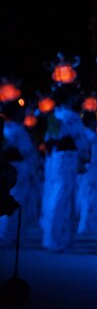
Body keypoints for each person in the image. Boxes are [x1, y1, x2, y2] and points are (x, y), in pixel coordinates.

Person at [41, 56, 90, 252]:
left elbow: (48, 141)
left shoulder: (54, 117)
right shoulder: (71, 117)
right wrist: (84, 156)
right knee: (63, 196)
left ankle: (52, 237)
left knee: (54, 193)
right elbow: (81, 141)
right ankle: (59, 239)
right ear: (69, 98)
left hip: (54, 159)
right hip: (68, 158)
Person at [0, 81, 37, 246]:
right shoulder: (17, 131)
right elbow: (27, 152)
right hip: (17, 168)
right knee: (16, 199)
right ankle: (10, 236)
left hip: (5, 167)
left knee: (4, 198)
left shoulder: (5, 129)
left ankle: (6, 234)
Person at [76, 110, 97, 235]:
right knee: (89, 198)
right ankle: (86, 227)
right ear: (90, 121)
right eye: (95, 120)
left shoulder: (90, 135)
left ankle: (92, 226)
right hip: (90, 171)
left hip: (95, 171)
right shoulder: (88, 135)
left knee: (92, 197)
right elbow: (83, 153)